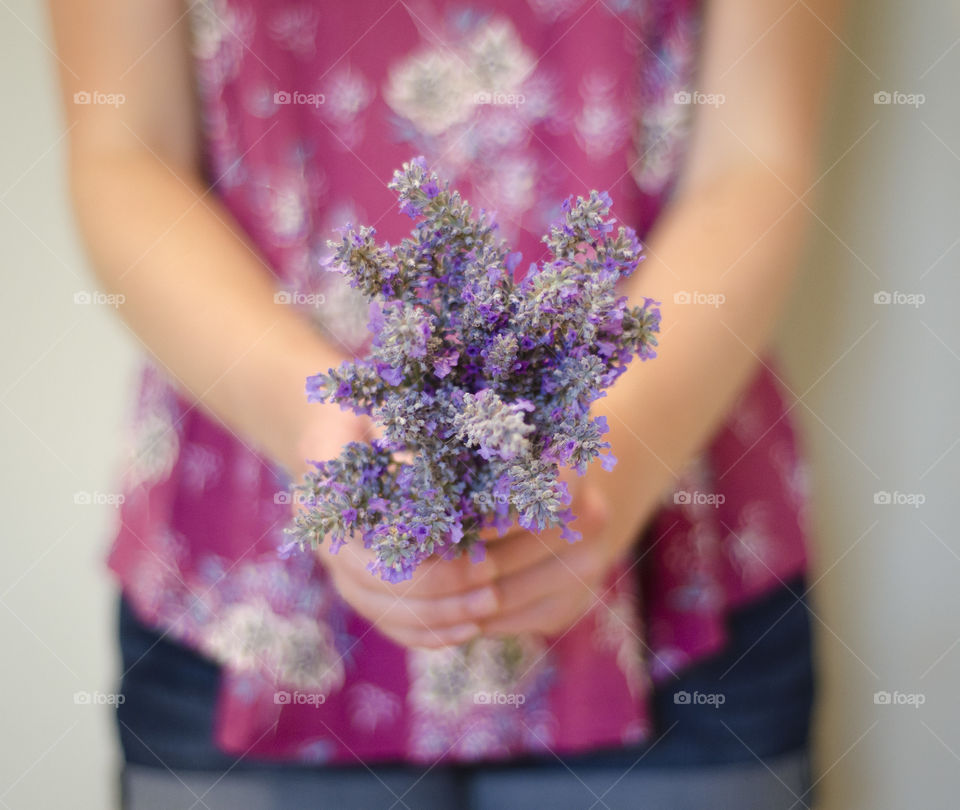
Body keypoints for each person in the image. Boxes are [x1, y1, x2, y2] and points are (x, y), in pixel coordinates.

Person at [50, 0, 841, 807]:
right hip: (245, 568)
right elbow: (125, 151)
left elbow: (757, 157)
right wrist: (318, 431)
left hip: (674, 558)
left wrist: (612, 463)